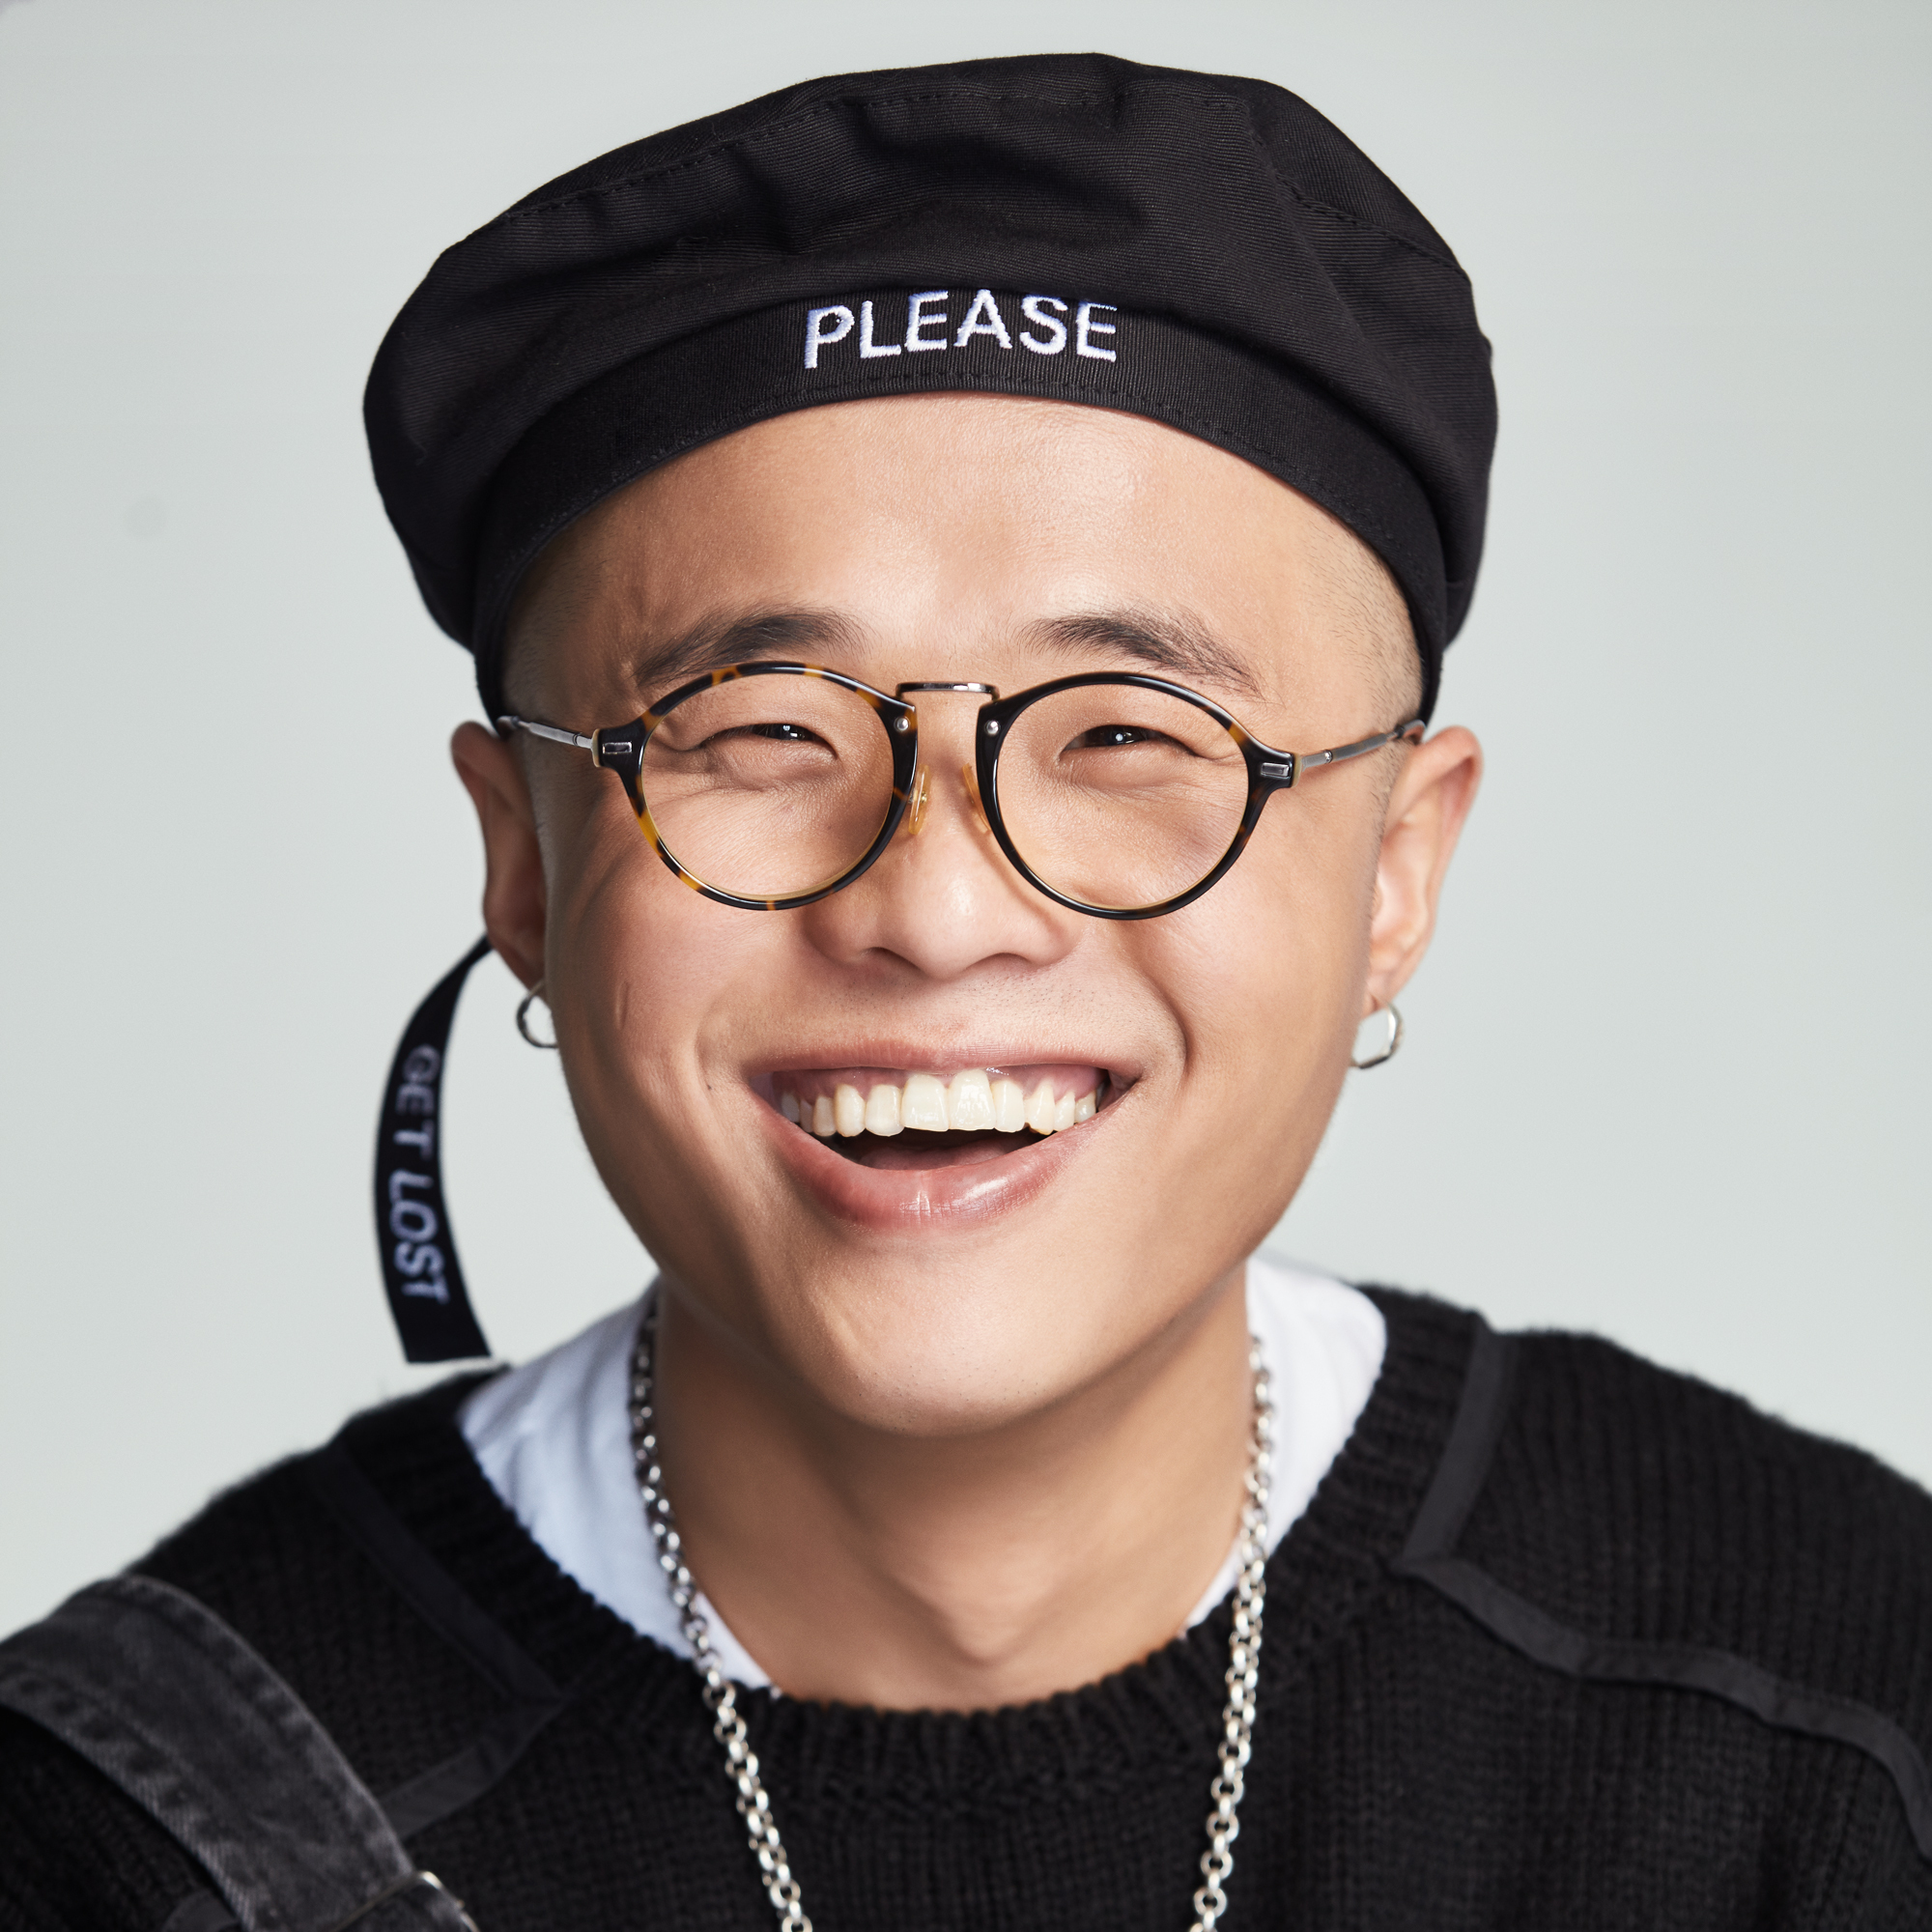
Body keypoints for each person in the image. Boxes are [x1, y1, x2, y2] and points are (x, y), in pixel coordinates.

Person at [2, 50, 1928, 1932]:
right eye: (761, 730)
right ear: (524, 860)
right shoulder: (123, 1843)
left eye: (1126, 734)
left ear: (1396, 871)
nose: (935, 907)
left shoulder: (1835, 1717)